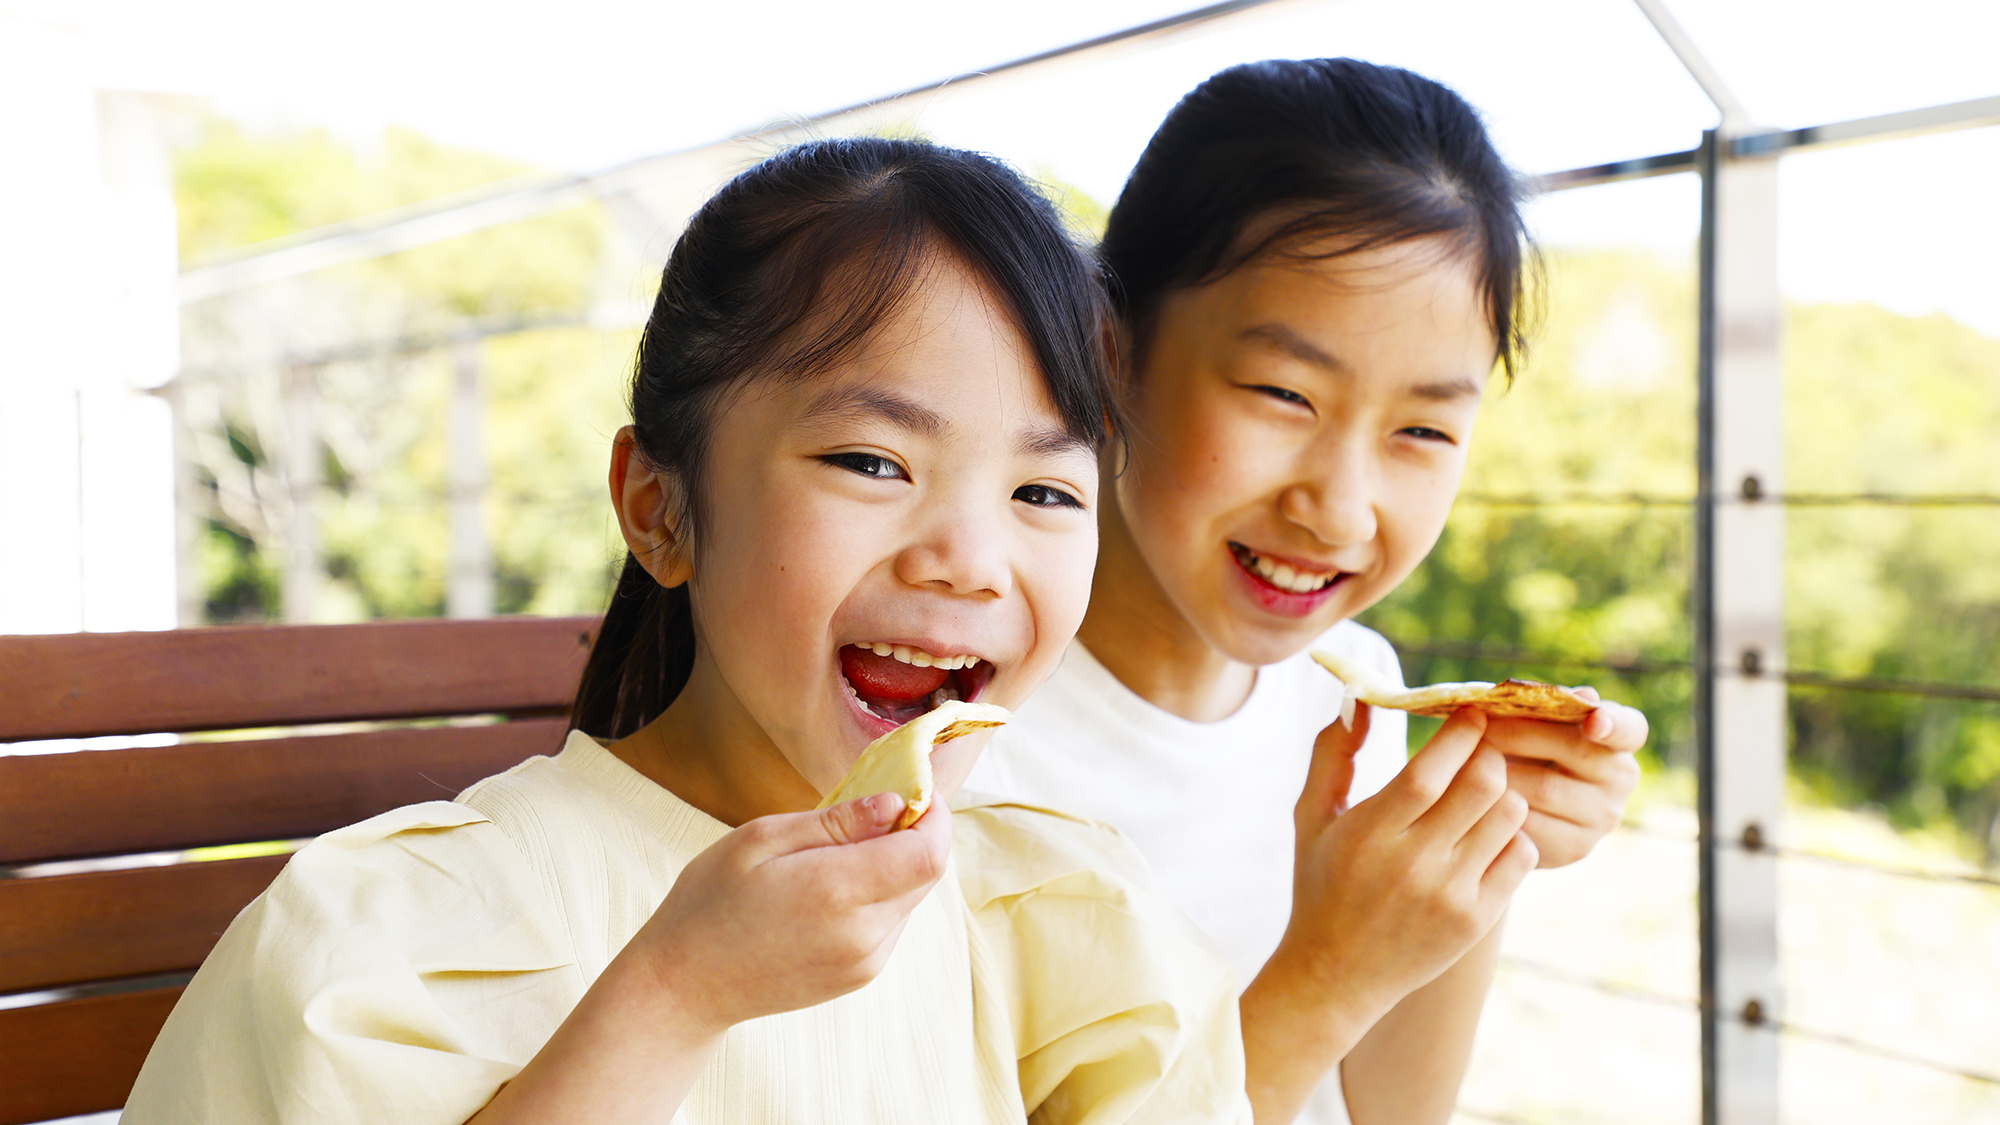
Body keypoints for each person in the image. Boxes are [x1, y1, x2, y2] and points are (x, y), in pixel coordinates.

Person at [123, 137, 1252, 1125]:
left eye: (1045, 493)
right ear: (659, 510)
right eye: (871, 461)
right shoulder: (389, 946)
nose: (968, 558)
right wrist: (673, 996)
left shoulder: (1060, 918)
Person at [966, 58, 1648, 1125]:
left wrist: (1479, 843)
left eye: (1421, 430)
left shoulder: (1355, 695)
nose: (1337, 509)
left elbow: (1390, 1113)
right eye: (1282, 394)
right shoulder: (949, 737)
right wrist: (1328, 974)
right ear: (1112, 351)